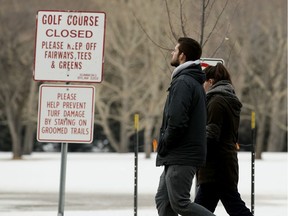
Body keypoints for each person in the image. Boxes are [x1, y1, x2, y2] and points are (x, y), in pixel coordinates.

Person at [155, 37, 215, 216]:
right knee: (163, 201)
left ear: (182, 55)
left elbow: (177, 121)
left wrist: (165, 143)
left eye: (175, 50)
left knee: (180, 203)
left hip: (181, 153)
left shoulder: (183, 82)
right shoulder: (189, 80)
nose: (172, 53)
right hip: (178, 153)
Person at [194, 63, 253, 216]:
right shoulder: (228, 99)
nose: (202, 86)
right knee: (206, 209)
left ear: (211, 81)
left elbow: (211, 134)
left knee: (233, 208)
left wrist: (196, 152)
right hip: (223, 165)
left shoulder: (216, 101)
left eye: (204, 82)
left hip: (216, 167)